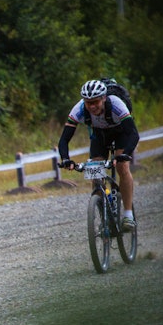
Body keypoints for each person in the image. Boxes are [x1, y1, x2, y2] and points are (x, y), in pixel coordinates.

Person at [58, 79, 140, 230]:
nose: (92, 106)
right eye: (89, 103)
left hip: (121, 132)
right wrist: (66, 159)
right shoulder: (79, 109)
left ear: (104, 98)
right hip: (100, 136)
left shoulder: (116, 104)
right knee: (95, 174)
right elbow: (64, 139)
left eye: (96, 102)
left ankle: (128, 215)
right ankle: (105, 215)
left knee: (122, 167)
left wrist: (125, 154)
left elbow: (134, 134)